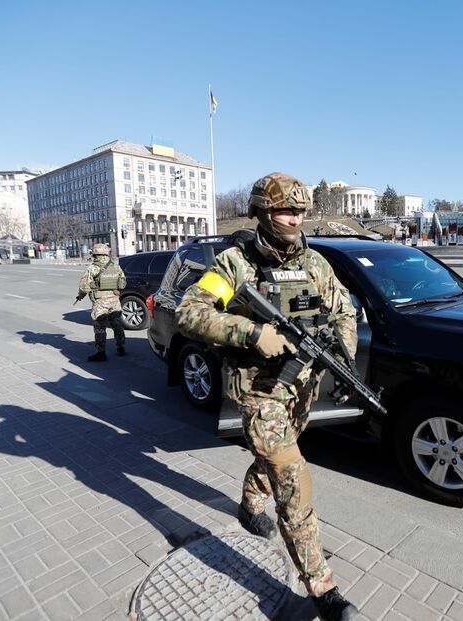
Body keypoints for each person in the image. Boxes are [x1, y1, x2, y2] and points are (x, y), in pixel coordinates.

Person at [176, 173, 359, 621]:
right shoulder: (233, 264)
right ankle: (323, 589)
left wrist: (342, 349)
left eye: (300, 211)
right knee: (293, 480)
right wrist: (253, 332)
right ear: (262, 211)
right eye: (285, 210)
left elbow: (344, 310)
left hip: (300, 389)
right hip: (259, 393)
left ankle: (249, 502)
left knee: (273, 462)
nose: (295, 219)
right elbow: (189, 312)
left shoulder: (316, 265)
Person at [76, 243, 126, 362]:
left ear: (94, 254)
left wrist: (80, 296)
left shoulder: (93, 268)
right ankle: (121, 348)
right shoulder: (115, 266)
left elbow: (84, 286)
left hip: (100, 302)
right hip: (115, 300)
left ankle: (101, 353)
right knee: (117, 325)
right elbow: (123, 282)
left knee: (100, 327)